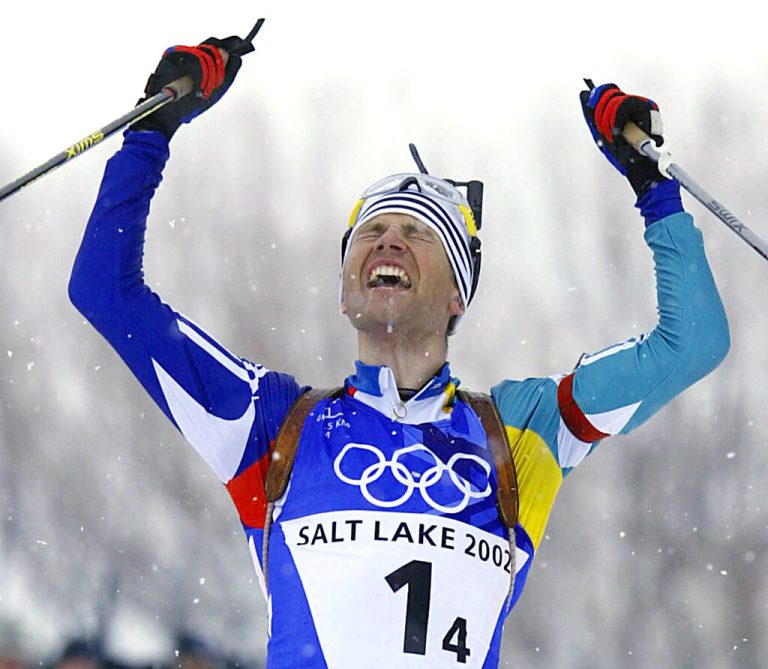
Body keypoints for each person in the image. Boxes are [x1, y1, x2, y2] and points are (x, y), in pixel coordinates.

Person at [68, 34, 730, 669]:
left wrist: (655, 191)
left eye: (416, 233)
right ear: (344, 287)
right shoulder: (271, 425)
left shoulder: (522, 432)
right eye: (371, 231)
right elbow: (105, 290)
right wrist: (151, 130)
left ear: (457, 297)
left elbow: (693, 342)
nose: (387, 242)